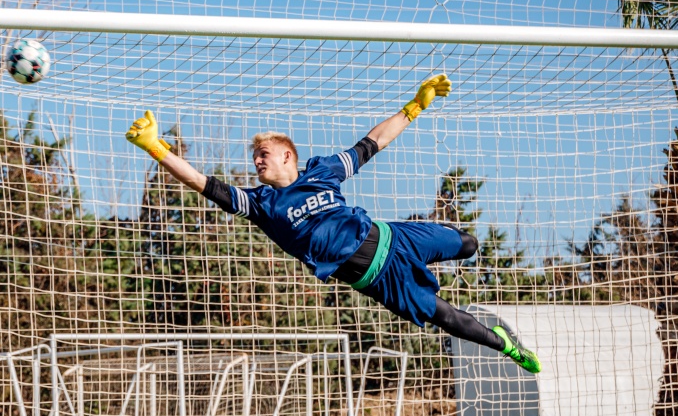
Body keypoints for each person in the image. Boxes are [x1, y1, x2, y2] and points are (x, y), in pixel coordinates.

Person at [124, 74, 540, 373]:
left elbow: (372, 143)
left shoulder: (322, 172)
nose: (256, 161)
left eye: (263, 154)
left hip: (396, 237)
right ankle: (506, 345)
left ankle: (465, 260)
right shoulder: (261, 203)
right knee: (447, 317)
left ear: (287, 155)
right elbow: (204, 184)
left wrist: (413, 107)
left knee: (465, 243)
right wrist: (157, 149)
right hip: (377, 279)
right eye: (254, 158)